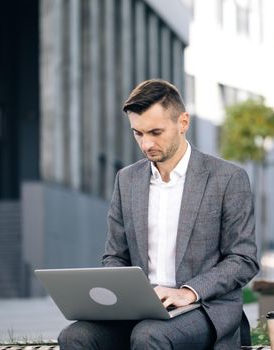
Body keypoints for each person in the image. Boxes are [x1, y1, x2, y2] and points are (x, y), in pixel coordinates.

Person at [58, 79, 259, 349]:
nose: (146, 144)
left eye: (155, 132)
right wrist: (124, 294)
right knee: (74, 337)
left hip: (203, 307)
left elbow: (243, 259)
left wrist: (188, 292)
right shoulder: (126, 180)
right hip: (139, 310)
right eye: (138, 133)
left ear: (183, 123)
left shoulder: (228, 178)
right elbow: (115, 255)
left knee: (149, 335)